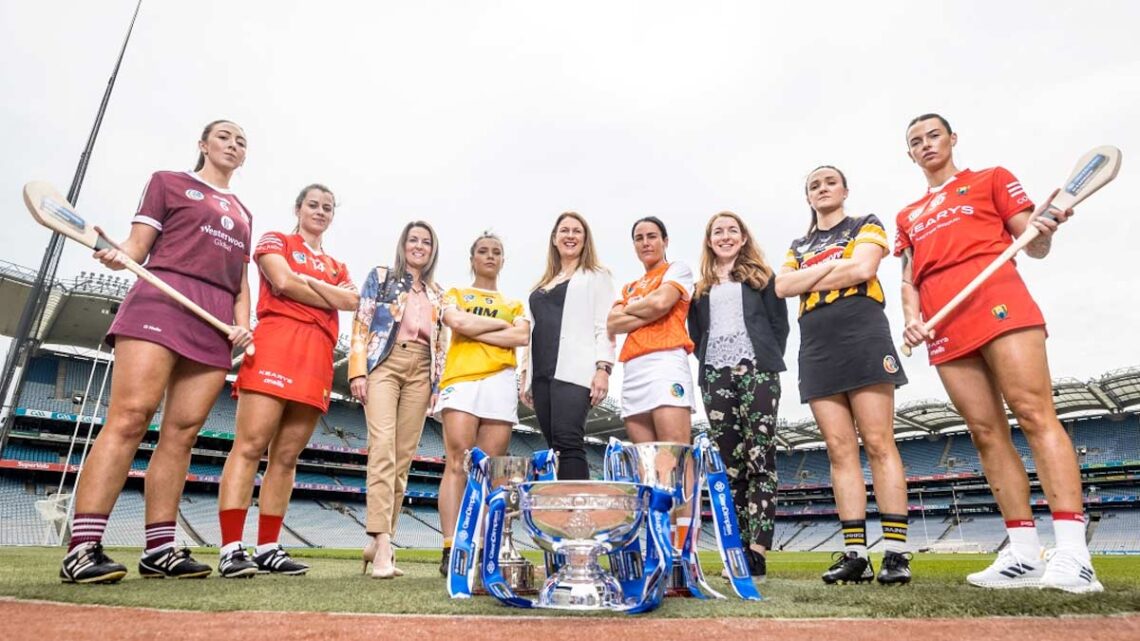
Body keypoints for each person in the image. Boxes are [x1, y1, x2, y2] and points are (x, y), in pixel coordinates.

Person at [896, 113, 1100, 593]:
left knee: (1032, 413)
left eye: (934, 135)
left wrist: (1045, 227)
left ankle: (1074, 554)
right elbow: (908, 278)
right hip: (943, 320)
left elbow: (1034, 244)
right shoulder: (908, 215)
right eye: (916, 141)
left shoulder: (991, 179)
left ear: (952, 139)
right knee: (985, 432)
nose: (926, 145)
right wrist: (911, 318)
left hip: (998, 300)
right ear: (910, 154)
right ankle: (1024, 554)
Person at [59, 119, 255, 583]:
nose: (233, 144)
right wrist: (117, 252)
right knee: (131, 417)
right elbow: (137, 247)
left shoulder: (244, 212)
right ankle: (83, 547)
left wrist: (243, 324)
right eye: (224, 136)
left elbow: (240, 282)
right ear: (203, 144)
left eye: (241, 141)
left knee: (182, 435)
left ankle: (160, 549)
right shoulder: (168, 182)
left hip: (213, 319)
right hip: (161, 300)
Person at [775, 166, 911, 586]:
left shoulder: (864, 223)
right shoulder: (798, 244)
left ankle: (896, 553)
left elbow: (863, 269)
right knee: (838, 449)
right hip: (817, 342)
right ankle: (856, 555)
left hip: (861, 330)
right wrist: (837, 265)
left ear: (845, 190)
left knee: (878, 441)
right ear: (808, 197)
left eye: (829, 182)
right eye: (814, 185)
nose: (822, 189)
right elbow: (782, 286)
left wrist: (812, 276)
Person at [215, 184, 357, 578]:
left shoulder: (338, 266)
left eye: (327, 207)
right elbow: (282, 281)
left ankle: (268, 547)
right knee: (250, 446)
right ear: (298, 208)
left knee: (287, 457)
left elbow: (351, 301)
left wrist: (307, 284)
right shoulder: (276, 239)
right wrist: (324, 293)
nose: (320, 211)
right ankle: (230, 547)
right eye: (313, 204)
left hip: (318, 354)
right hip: (277, 344)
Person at [687, 211, 788, 580]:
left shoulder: (762, 278)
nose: (725, 236)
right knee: (732, 466)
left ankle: (757, 550)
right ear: (709, 240)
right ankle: (738, 550)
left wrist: (763, 360)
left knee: (760, 457)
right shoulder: (700, 290)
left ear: (743, 238)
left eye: (733, 230)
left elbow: (779, 326)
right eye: (718, 231)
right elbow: (696, 334)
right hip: (715, 374)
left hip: (757, 368)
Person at [348, 221, 446, 579]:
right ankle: (384, 544)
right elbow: (361, 321)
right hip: (384, 364)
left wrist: (437, 385)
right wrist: (357, 370)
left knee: (403, 458)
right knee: (383, 449)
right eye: (413, 240)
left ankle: (378, 542)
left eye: (426, 242)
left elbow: (442, 341)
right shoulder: (382, 277)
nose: (419, 246)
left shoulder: (438, 293)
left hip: (422, 370)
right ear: (403, 244)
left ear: (433, 250)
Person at [436, 232, 529, 576]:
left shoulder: (515, 304)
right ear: (472, 258)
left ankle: (483, 547)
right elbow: (457, 321)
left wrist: (476, 329)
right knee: (458, 462)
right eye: (483, 251)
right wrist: (499, 327)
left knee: (491, 470)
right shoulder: (456, 293)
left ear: (503, 260)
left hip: (500, 382)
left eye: (496, 252)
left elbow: (521, 336)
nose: (490, 256)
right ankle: (451, 547)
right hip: (462, 379)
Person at [607, 216, 696, 549]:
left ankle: (683, 548)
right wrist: (646, 309)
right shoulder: (629, 287)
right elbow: (612, 323)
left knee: (675, 455)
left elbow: (662, 303)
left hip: (665, 362)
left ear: (665, 241)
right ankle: (659, 545)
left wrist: (635, 312)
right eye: (639, 238)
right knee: (647, 464)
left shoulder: (677, 270)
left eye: (652, 236)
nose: (646, 242)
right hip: (633, 370)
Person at [520, 212, 615, 480]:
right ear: (554, 238)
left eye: (576, 231)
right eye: (564, 230)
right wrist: (525, 374)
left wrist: (603, 368)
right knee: (554, 446)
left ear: (585, 239)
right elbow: (532, 329)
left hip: (574, 370)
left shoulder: (596, 276)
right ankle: (561, 504)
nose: (570, 236)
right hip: (542, 373)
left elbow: (604, 325)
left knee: (568, 440)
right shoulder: (542, 284)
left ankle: (578, 505)